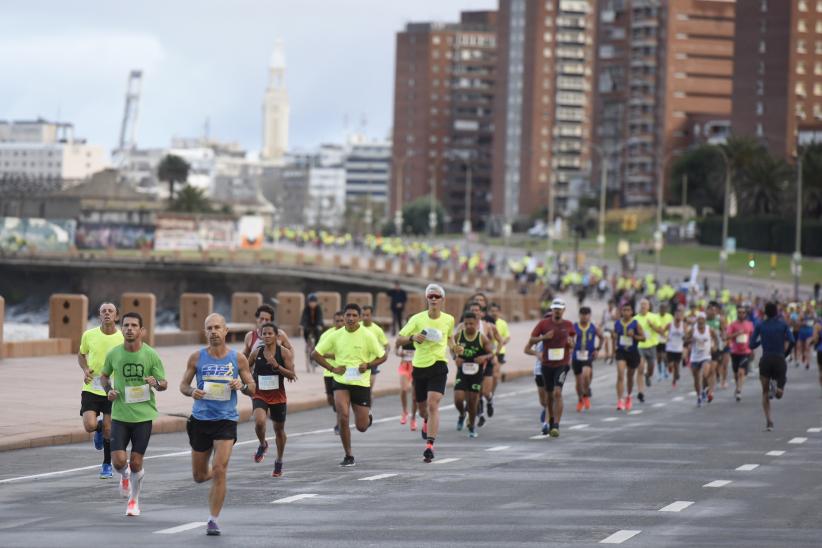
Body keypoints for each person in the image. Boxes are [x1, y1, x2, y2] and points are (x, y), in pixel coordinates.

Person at [181, 313, 255, 536]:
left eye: (217, 328)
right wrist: (193, 391)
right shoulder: (196, 357)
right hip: (201, 420)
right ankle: (215, 477)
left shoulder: (237, 359)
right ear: (205, 332)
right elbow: (183, 385)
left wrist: (240, 385)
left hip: (225, 420)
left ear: (226, 331)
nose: (213, 332)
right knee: (199, 476)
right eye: (209, 328)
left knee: (220, 469)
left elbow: (252, 387)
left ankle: (213, 519)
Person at [100, 312, 167, 517]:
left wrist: (156, 383)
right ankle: (125, 476)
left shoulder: (151, 355)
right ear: (122, 329)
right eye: (126, 325)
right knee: (119, 462)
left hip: (143, 417)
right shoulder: (114, 354)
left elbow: (164, 383)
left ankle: (133, 501)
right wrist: (108, 390)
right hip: (120, 415)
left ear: (141, 330)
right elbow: (103, 376)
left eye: (134, 325)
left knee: (137, 462)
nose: (129, 328)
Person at [312, 303, 387, 467]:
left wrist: (368, 365)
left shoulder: (368, 335)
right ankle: (348, 455)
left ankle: (368, 416)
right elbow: (315, 354)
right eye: (348, 315)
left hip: (361, 383)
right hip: (341, 381)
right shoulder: (335, 335)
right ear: (344, 317)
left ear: (359, 317)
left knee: (362, 426)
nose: (351, 318)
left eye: (354, 315)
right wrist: (332, 368)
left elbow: (383, 356)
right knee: (343, 416)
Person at [396, 284, 461, 463]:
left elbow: (449, 337)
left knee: (433, 405)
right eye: (431, 296)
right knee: (423, 409)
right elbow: (399, 339)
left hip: (439, 365)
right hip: (420, 367)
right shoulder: (417, 319)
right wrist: (412, 337)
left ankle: (430, 446)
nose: (433, 299)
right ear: (427, 299)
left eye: (437, 296)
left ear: (442, 300)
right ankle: (424, 420)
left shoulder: (449, 319)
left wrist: (455, 347)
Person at [78, 302, 124, 479]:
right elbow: (82, 354)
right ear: (99, 316)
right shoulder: (89, 335)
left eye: (110, 311)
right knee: (89, 425)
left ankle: (106, 464)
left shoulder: (122, 338)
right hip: (92, 386)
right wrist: (85, 369)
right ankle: (97, 429)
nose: (106, 314)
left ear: (116, 316)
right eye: (103, 311)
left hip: (112, 389)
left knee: (109, 428)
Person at [249, 322, 296, 477]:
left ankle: (279, 460)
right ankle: (263, 444)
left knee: (279, 430)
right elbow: (245, 369)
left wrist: (277, 367)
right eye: (264, 333)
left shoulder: (284, 353)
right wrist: (246, 383)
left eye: (270, 333)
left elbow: (292, 375)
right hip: (260, 394)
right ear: (261, 335)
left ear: (277, 335)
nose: (267, 336)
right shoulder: (256, 353)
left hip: (278, 396)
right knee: (259, 421)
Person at [528, 298, 575, 437]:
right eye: (555, 308)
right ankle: (550, 419)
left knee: (557, 393)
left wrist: (571, 344)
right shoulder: (543, 324)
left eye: (559, 308)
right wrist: (543, 338)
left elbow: (573, 342)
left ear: (563, 310)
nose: (557, 310)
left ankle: (556, 425)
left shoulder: (568, 325)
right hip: (547, 364)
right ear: (552, 309)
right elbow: (531, 340)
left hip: (562, 364)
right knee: (548, 397)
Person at [750, 302, 795, 431]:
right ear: (777, 312)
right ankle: (775, 389)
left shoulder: (760, 325)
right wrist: (785, 354)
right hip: (780, 359)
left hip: (766, 360)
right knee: (779, 394)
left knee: (764, 392)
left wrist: (761, 340)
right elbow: (792, 341)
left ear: (765, 313)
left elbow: (751, 345)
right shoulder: (783, 325)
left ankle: (769, 422)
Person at [453, 312, 494, 438]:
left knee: (472, 401)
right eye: (466, 324)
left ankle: (472, 426)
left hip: (476, 372)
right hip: (463, 371)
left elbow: (491, 353)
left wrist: (484, 357)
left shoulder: (482, 338)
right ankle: (461, 414)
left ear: (476, 324)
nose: (469, 326)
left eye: (471, 324)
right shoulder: (459, 336)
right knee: (458, 399)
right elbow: (451, 348)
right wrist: (455, 357)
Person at [612, 303, 645, 411]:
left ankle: (629, 396)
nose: (626, 312)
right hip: (621, 351)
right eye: (624, 310)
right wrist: (613, 350)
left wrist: (634, 336)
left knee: (630, 376)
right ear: (621, 312)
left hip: (633, 352)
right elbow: (614, 337)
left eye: (628, 310)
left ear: (631, 312)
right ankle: (620, 400)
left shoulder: (636, 324)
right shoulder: (617, 323)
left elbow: (643, 338)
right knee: (620, 374)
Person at [684, 312, 719, 407]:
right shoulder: (693, 330)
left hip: (706, 356)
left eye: (702, 319)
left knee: (705, 373)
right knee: (696, 379)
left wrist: (715, 346)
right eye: (699, 319)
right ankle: (699, 395)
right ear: (697, 320)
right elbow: (685, 340)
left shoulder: (709, 329)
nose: (700, 321)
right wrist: (690, 340)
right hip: (694, 357)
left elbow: (716, 338)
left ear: (705, 320)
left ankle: (704, 389)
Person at [318, 311, 345, 434]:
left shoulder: (348, 334)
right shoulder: (327, 335)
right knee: (330, 399)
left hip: (343, 373)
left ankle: (339, 424)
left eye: (341, 321)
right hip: (329, 371)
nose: (339, 323)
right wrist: (336, 355)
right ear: (333, 322)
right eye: (337, 321)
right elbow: (319, 352)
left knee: (339, 400)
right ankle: (340, 412)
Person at [572, 306, 601, 412]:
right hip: (576, 356)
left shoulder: (593, 327)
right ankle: (580, 399)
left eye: (586, 315)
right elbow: (568, 339)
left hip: (588, 355)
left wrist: (597, 349)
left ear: (589, 316)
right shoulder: (574, 327)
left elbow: (601, 337)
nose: (584, 317)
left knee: (586, 375)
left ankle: (586, 394)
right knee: (578, 382)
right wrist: (570, 346)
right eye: (582, 315)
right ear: (579, 315)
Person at [634, 299, 662, 402]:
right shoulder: (635, 319)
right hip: (640, 346)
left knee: (651, 368)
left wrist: (652, 326)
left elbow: (661, 331)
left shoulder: (654, 317)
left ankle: (648, 375)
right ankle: (640, 392)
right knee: (640, 368)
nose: (643, 306)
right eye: (641, 304)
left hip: (651, 346)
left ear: (649, 306)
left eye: (645, 304)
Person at [726, 304, 754, 402]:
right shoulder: (733, 325)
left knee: (741, 372)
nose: (741, 314)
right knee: (736, 373)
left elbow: (752, 338)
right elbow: (727, 337)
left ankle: (739, 390)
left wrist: (752, 350)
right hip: (735, 352)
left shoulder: (750, 324)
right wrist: (737, 334)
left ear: (745, 314)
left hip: (745, 352)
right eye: (739, 312)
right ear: (737, 313)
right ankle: (737, 386)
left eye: (743, 312)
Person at [361, 305, 390, 390]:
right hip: (358, 361)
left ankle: (369, 398)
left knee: (368, 388)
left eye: (367, 315)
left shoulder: (377, 330)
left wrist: (384, 355)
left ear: (372, 316)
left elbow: (386, 345)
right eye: (363, 315)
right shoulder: (356, 327)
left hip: (372, 362)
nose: (365, 317)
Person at [524, 341, 550, 435]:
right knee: (543, 401)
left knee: (550, 398)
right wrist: (537, 353)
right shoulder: (538, 334)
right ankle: (546, 409)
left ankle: (546, 424)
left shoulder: (556, 333)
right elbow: (526, 349)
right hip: (539, 370)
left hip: (552, 369)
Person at [396, 338, 419, 430]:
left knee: (415, 397)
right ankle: (405, 411)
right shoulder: (403, 334)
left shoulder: (420, 333)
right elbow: (396, 348)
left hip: (416, 366)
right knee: (404, 389)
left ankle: (413, 418)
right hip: (404, 365)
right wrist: (399, 353)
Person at [664, 306, 686, 388]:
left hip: (679, 348)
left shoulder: (683, 325)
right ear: (674, 315)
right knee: (670, 365)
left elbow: (686, 336)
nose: (678, 317)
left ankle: (674, 379)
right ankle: (671, 370)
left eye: (680, 315)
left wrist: (685, 338)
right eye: (677, 315)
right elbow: (663, 331)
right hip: (670, 348)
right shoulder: (670, 324)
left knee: (676, 366)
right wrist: (665, 337)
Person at [655, 302, 673, 381]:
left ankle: (665, 371)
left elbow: (672, 327)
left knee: (665, 356)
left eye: (664, 308)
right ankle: (659, 372)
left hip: (666, 339)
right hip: (657, 339)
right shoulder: (656, 316)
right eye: (661, 308)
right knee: (658, 357)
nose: (663, 310)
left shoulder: (669, 317)